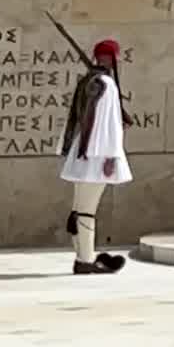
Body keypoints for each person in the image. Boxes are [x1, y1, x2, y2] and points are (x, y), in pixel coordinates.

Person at [58, 35, 130, 276]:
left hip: (82, 155)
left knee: (79, 208)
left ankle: (82, 254)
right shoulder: (107, 84)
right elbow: (105, 124)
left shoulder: (88, 81)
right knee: (87, 210)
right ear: (110, 59)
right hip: (98, 157)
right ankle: (85, 260)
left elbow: (78, 121)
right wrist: (110, 156)